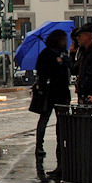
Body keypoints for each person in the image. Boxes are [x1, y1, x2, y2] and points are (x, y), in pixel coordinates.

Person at [33, 29, 70, 158]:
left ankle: (61, 146)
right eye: (64, 39)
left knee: (61, 121)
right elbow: (42, 72)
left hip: (62, 92)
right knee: (44, 119)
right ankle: (39, 146)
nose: (66, 41)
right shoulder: (46, 54)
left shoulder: (63, 53)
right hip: (49, 93)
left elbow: (70, 67)